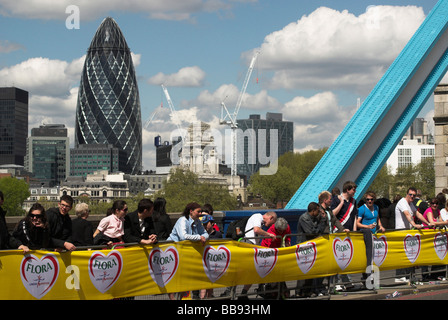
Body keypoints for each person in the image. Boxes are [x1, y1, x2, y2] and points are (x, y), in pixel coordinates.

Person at [167, 202, 209, 300]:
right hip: (174, 252)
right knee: (174, 277)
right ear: (191, 211)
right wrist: (199, 237)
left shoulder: (197, 222)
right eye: (198, 211)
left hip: (185, 253)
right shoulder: (182, 220)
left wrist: (202, 237)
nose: (200, 214)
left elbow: (205, 233)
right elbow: (183, 236)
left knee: (184, 278)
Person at [395, 187, 432, 283]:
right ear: (406, 194)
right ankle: (399, 276)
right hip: (401, 232)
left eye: (414, 195)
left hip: (408, 233)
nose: (412, 196)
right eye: (410, 194)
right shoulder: (402, 202)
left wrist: (427, 223)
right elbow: (407, 214)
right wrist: (414, 224)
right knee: (402, 254)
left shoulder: (410, 204)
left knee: (409, 254)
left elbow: (418, 214)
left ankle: (409, 276)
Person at [239, 211, 277, 299]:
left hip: (253, 247)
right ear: (271, 217)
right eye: (272, 222)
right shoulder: (258, 216)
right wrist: (269, 234)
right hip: (248, 245)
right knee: (243, 271)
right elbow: (256, 230)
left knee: (253, 272)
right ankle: (232, 292)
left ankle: (243, 293)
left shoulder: (261, 223)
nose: (271, 225)